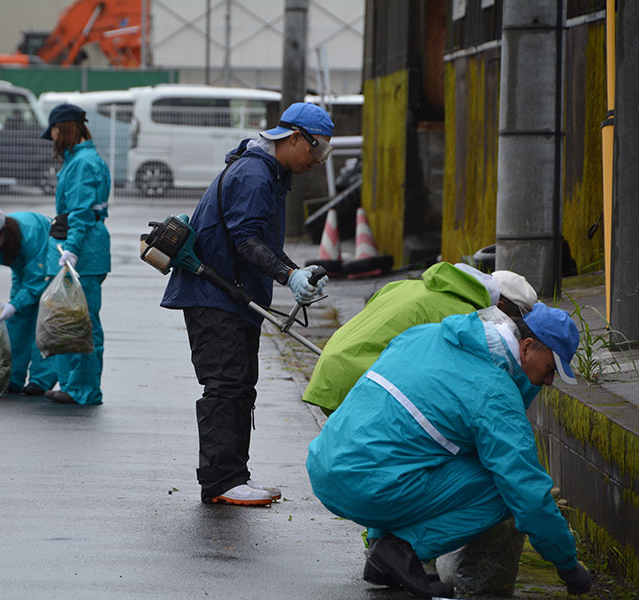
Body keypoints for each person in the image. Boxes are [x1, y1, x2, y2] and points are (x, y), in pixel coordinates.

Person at [306, 303, 592, 597]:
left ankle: (382, 554)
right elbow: (528, 493)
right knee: (505, 490)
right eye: (550, 368)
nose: (549, 381)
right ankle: (402, 549)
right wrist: (567, 565)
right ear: (527, 347)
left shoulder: (426, 335)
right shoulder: (494, 393)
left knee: (416, 448)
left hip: (326, 465)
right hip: (368, 486)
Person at [160, 102, 334, 506]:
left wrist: (294, 272)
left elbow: (260, 242)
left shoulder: (269, 171)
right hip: (213, 296)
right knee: (225, 386)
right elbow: (246, 240)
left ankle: (234, 476)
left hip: (229, 295)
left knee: (240, 386)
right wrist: (288, 275)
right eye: (317, 150)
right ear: (294, 138)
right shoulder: (256, 174)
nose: (316, 161)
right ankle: (221, 481)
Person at [304, 264, 538, 415]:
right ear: (501, 306)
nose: (513, 330)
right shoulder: (465, 317)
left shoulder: (408, 286)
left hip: (331, 370)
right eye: (514, 320)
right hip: (358, 384)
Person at [40, 103, 111, 405]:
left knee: (82, 321)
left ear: (64, 128)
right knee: (73, 318)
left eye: (55, 130)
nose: (53, 137)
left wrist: (72, 250)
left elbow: (81, 213)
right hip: (86, 247)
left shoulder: (83, 163)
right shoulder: (81, 159)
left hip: (84, 249)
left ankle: (83, 389)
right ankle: (74, 384)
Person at [0, 203, 58, 396]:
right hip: (23, 267)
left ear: (2, 233)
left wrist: (15, 305)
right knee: (16, 323)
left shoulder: (29, 234)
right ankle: (12, 378)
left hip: (48, 265)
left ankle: (40, 381)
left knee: (44, 322)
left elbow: (37, 280)